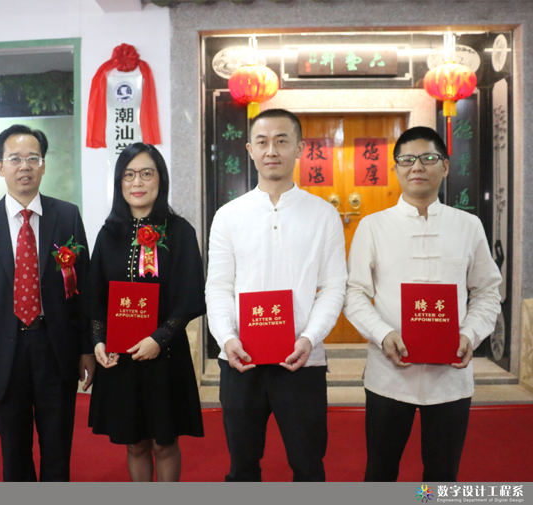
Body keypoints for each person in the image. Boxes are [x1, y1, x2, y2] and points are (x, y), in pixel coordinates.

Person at [343, 126, 502, 482]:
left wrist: (470, 334)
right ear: (396, 168)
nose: (417, 166)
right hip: (389, 374)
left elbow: (488, 290)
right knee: (381, 471)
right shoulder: (373, 226)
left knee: (441, 475)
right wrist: (382, 334)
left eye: (429, 158)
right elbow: (354, 293)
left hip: (451, 376)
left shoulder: (468, 225)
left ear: (445, 166)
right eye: (407, 159)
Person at [205, 109, 347, 481]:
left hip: (301, 361)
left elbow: (334, 286)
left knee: (308, 466)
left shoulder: (323, 215)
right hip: (241, 360)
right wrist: (227, 338)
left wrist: (309, 338)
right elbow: (218, 286)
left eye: (282, 141)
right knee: (242, 467)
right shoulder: (228, 216)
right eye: (263, 142)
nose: (272, 151)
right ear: (250, 150)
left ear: (299, 148)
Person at [0, 124, 95, 482]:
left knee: (57, 449)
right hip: (2, 353)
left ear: (43, 165)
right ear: (0, 166)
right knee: (14, 453)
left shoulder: (67, 216)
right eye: (15, 159)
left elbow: (83, 290)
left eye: (33, 158)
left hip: (56, 348)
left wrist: (86, 348)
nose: (25, 166)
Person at [86, 143, 205, 482]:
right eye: (129, 175)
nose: (137, 182)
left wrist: (159, 338)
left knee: (164, 444)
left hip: (164, 356)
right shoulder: (108, 234)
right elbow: (95, 296)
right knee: (134, 443)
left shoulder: (180, 231)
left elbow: (190, 295)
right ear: (119, 182)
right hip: (120, 359)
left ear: (160, 179)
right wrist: (98, 341)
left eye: (146, 173)